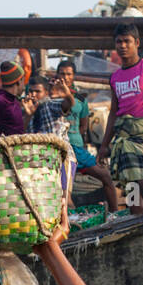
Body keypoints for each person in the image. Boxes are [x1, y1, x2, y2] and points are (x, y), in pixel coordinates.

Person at [96, 22, 143, 215]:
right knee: (131, 189)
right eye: (119, 42)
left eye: (127, 41)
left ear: (137, 43)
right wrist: (104, 145)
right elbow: (113, 113)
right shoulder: (115, 77)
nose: (123, 46)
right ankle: (137, 226)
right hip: (123, 138)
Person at [55, 59, 120, 211]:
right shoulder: (51, 95)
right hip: (60, 149)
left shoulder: (80, 98)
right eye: (62, 73)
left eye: (68, 74)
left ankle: (114, 214)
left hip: (77, 148)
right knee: (64, 191)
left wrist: (78, 138)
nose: (65, 77)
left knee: (105, 176)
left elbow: (84, 125)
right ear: (57, 75)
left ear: (74, 76)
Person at [0, 60, 30, 135]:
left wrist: (29, 115)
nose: (24, 86)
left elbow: (18, 132)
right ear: (19, 81)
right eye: (23, 80)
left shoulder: (14, 101)